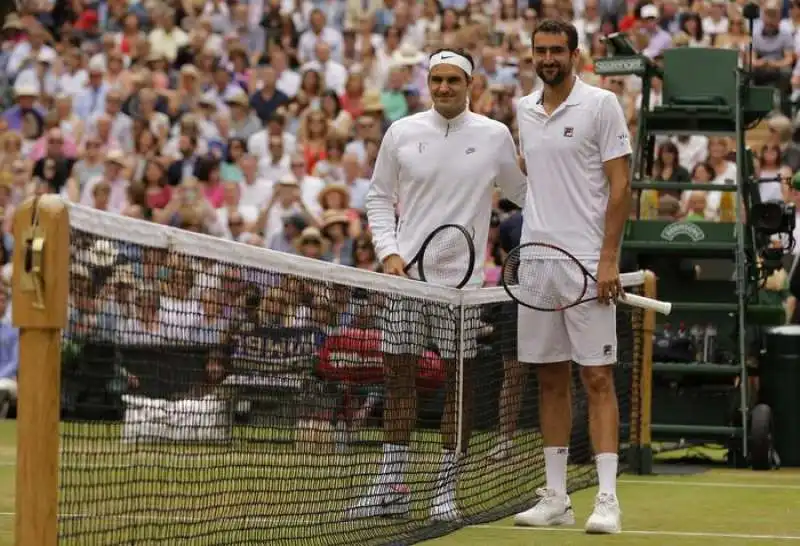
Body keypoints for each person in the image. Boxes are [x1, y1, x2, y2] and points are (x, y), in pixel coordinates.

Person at [348, 48, 527, 522]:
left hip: (462, 288)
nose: (444, 87)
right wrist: (388, 252)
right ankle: (392, 486)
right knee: (398, 381)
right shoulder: (402, 132)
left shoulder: (494, 136)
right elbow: (379, 196)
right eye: (437, 79)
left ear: (471, 85)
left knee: (459, 388)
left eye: (453, 80)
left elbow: (524, 193)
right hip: (406, 280)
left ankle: (445, 491)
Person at [512, 20, 631, 535]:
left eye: (557, 50)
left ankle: (607, 498)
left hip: (587, 261)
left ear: (575, 55)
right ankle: (556, 496)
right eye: (541, 51)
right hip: (537, 264)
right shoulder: (522, 110)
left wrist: (608, 259)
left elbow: (621, 185)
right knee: (550, 377)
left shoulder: (602, 105)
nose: (549, 58)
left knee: (598, 377)